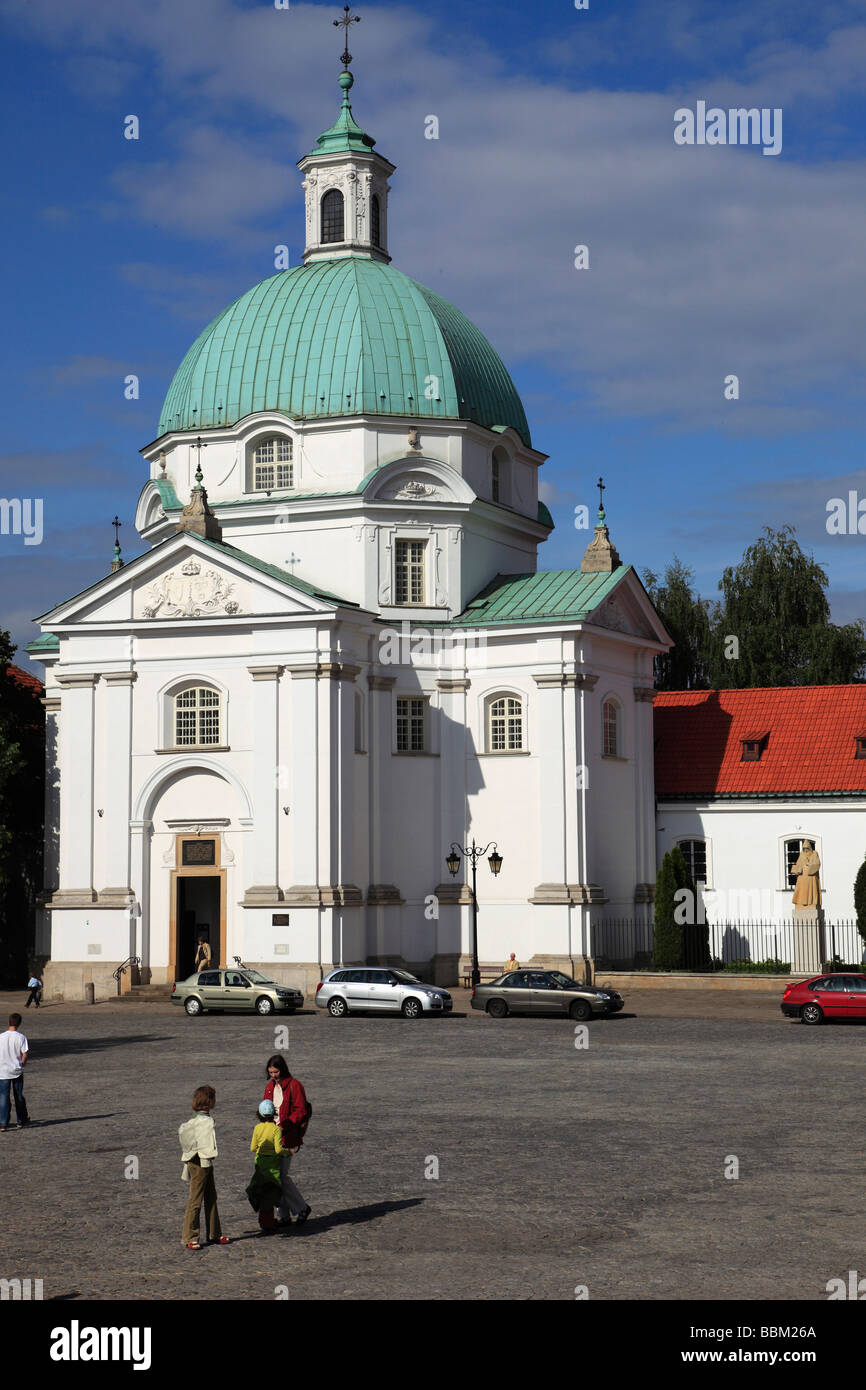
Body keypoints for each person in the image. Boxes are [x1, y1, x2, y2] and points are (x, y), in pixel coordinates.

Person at [178, 1085, 230, 1250]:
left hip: (197, 1161)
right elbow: (206, 1144)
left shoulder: (192, 1120)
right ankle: (190, 1236)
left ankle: (214, 1233)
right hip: (201, 1162)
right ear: (209, 1101)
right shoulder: (206, 1121)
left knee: (211, 1196)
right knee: (196, 1200)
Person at [264, 1055, 311, 1227]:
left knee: (281, 1176)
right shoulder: (269, 1087)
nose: (273, 1075)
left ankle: (301, 1207)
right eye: (270, 1072)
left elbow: (301, 1110)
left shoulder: (294, 1085)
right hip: (272, 1135)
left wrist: (286, 1124)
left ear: (282, 1069)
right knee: (276, 1176)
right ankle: (283, 1215)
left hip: (287, 1135)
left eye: (275, 1072)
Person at [246, 1100, 284, 1234]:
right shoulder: (276, 1129)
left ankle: (264, 1221)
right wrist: (287, 1152)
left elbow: (252, 1148)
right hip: (273, 1165)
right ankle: (268, 1223)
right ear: (273, 1113)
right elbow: (278, 1150)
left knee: (262, 1192)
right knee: (271, 1193)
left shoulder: (257, 1128)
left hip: (260, 1163)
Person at [0, 1013, 30, 1131]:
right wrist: (22, 1064)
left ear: (9, 1022)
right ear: (19, 1024)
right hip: (16, 1070)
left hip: (2, 1071)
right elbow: (25, 1054)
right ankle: (21, 1120)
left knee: (3, 1096)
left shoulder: (1, 1037)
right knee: (18, 1095)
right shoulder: (21, 1037)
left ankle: (3, 1122)